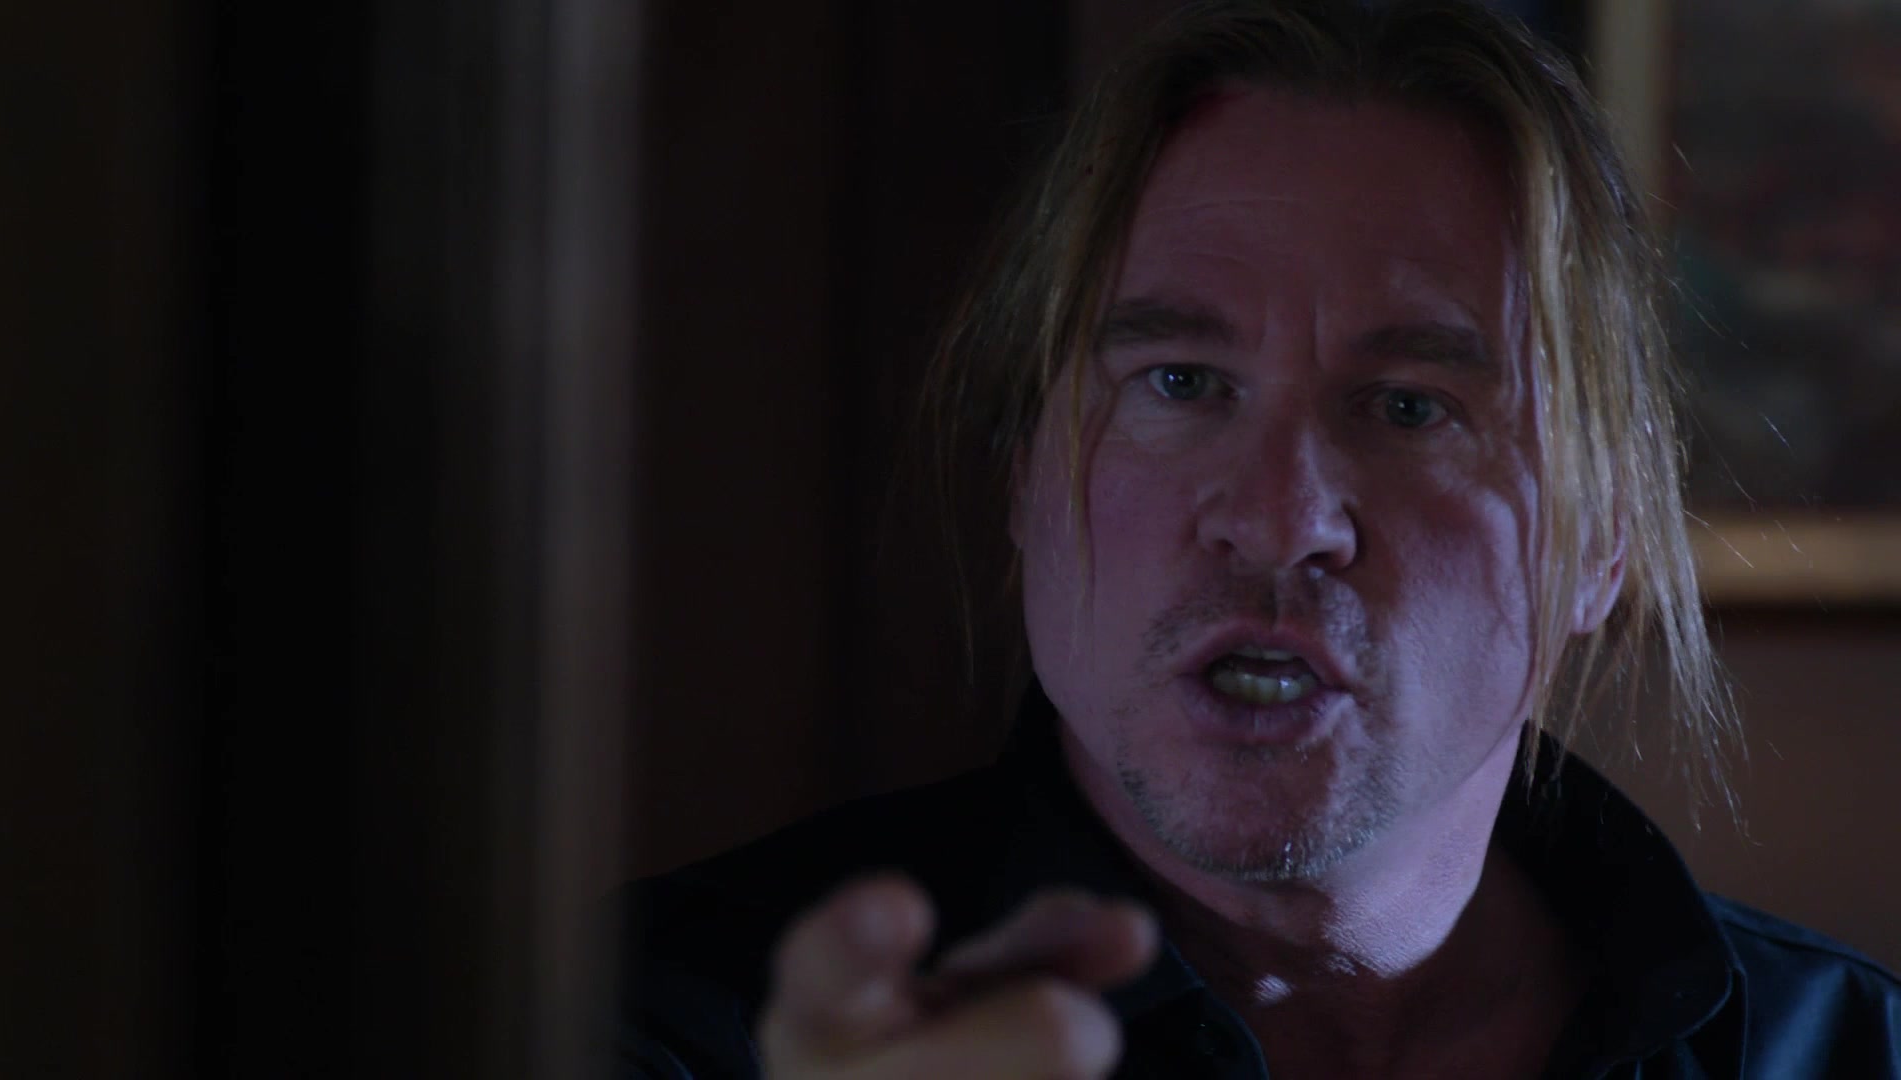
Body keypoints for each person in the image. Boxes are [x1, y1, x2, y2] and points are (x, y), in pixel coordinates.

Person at [617, 1, 1901, 1076]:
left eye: (1410, 408)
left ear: (1604, 538)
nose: (1282, 522)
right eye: (1179, 384)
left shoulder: (1846, 1051)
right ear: (1023, 477)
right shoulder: (649, 1025)